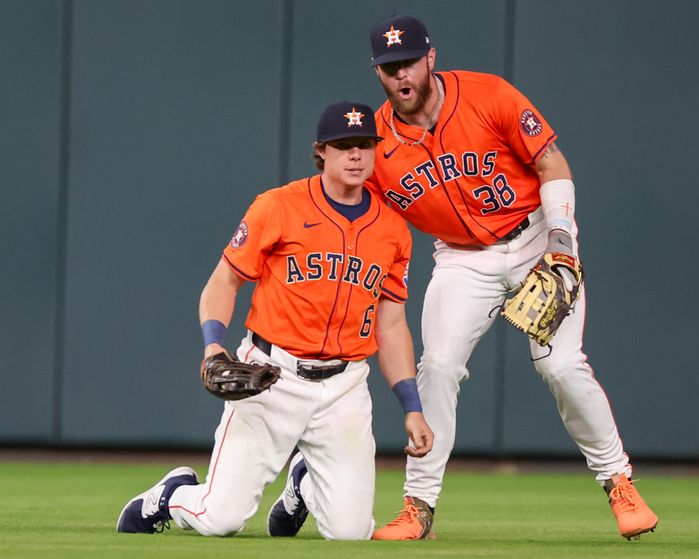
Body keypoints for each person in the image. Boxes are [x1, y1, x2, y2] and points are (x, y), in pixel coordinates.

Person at [364, 15, 658, 541]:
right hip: (461, 258)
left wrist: (562, 245)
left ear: (430, 58)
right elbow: (369, 222)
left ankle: (619, 482)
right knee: (437, 368)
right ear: (379, 74)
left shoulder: (487, 95)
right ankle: (418, 507)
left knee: (562, 366)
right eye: (389, 68)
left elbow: (552, 164)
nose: (400, 75)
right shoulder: (378, 144)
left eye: (408, 62)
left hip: (535, 241)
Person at [116, 101, 434, 540]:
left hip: (344, 387)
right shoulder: (278, 206)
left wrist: (412, 408)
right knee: (220, 519)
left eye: (365, 145)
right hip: (272, 374)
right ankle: (174, 494)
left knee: (350, 533)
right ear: (321, 151)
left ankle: (303, 483)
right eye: (345, 146)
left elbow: (392, 325)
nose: (356, 155)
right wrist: (213, 344)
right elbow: (222, 283)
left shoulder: (393, 228)